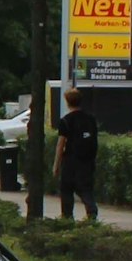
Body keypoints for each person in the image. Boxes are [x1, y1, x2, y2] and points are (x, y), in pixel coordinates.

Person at [53, 87, 100, 222]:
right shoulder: (90, 119)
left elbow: (60, 145)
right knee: (86, 189)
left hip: (70, 161)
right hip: (87, 161)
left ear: (67, 102)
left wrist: (56, 165)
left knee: (67, 189)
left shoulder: (66, 121)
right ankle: (91, 212)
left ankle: (67, 218)